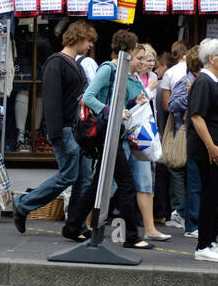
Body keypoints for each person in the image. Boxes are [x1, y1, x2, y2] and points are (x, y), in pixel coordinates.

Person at [61, 29, 152, 249]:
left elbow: (118, 106)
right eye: (135, 54)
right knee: (127, 184)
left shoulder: (120, 71)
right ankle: (131, 236)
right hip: (105, 133)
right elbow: (89, 97)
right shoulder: (108, 69)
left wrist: (132, 104)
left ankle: (72, 226)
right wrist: (112, 111)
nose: (137, 60)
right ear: (127, 51)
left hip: (112, 132)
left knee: (97, 185)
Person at [12, 20, 97, 233]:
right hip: (67, 130)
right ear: (77, 38)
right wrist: (55, 134)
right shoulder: (56, 63)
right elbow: (51, 102)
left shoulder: (72, 63)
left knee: (83, 178)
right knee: (70, 176)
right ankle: (24, 204)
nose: (90, 45)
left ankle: (74, 224)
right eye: (88, 40)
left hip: (76, 130)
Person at [188, 38, 218, 262]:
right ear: (211, 58)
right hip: (212, 149)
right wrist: (210, 146)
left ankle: (210, 239)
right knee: (213, 196)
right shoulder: (203, 82)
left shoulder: (215, 83)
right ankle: (203, 245)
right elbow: (196, 116)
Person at [130, 43, 169, 241]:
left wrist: (155, 132)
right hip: (126, 129)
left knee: (146, 178)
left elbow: (151, 108)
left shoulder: (152, 77)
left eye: (152, 60)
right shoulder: (129, 77)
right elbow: (135, 101)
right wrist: (149, 89)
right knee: (109, 182)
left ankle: (150, 227)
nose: (148, 63)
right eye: (144, 59)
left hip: (145, 128)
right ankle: (85, 223)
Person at [168, 50, 203, 239]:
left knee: (200, 181)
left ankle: (182, 212)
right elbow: (173, 105)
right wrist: (191, 97)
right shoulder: (186, 81)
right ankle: (187, 219)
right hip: (189, 136)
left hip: (201, 137)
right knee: (195, 180)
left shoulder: (205, 80)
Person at [159, 40, 190, 227]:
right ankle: (190, 211)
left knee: (176, 167)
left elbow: (166, 105)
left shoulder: (170, 73)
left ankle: (179, 211)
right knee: (191, 170)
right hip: (196, 126)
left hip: (179, 125)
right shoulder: (200, 71)